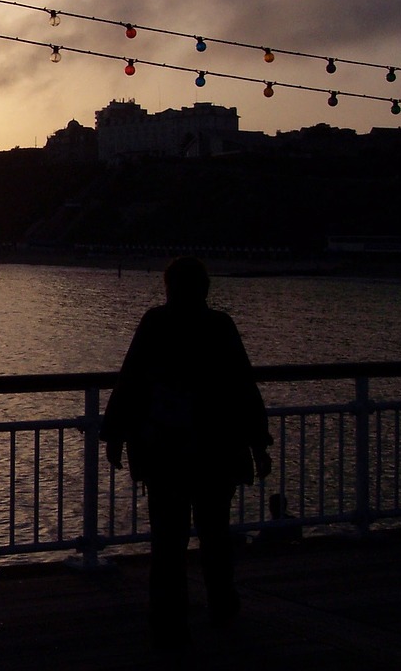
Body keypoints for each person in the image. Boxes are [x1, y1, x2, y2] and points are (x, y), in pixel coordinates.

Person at [100, 256, 272, 649]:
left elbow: (130, 382)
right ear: (205, 289)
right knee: (215, 534)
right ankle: (222, 605)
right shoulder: (220, 327)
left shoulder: (155, 324)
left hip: (164, 452)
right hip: (216, 451)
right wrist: (258, 443)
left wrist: (115, 435)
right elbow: (244, 387)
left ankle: (168, 619)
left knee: (168, 541)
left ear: (168, 288)